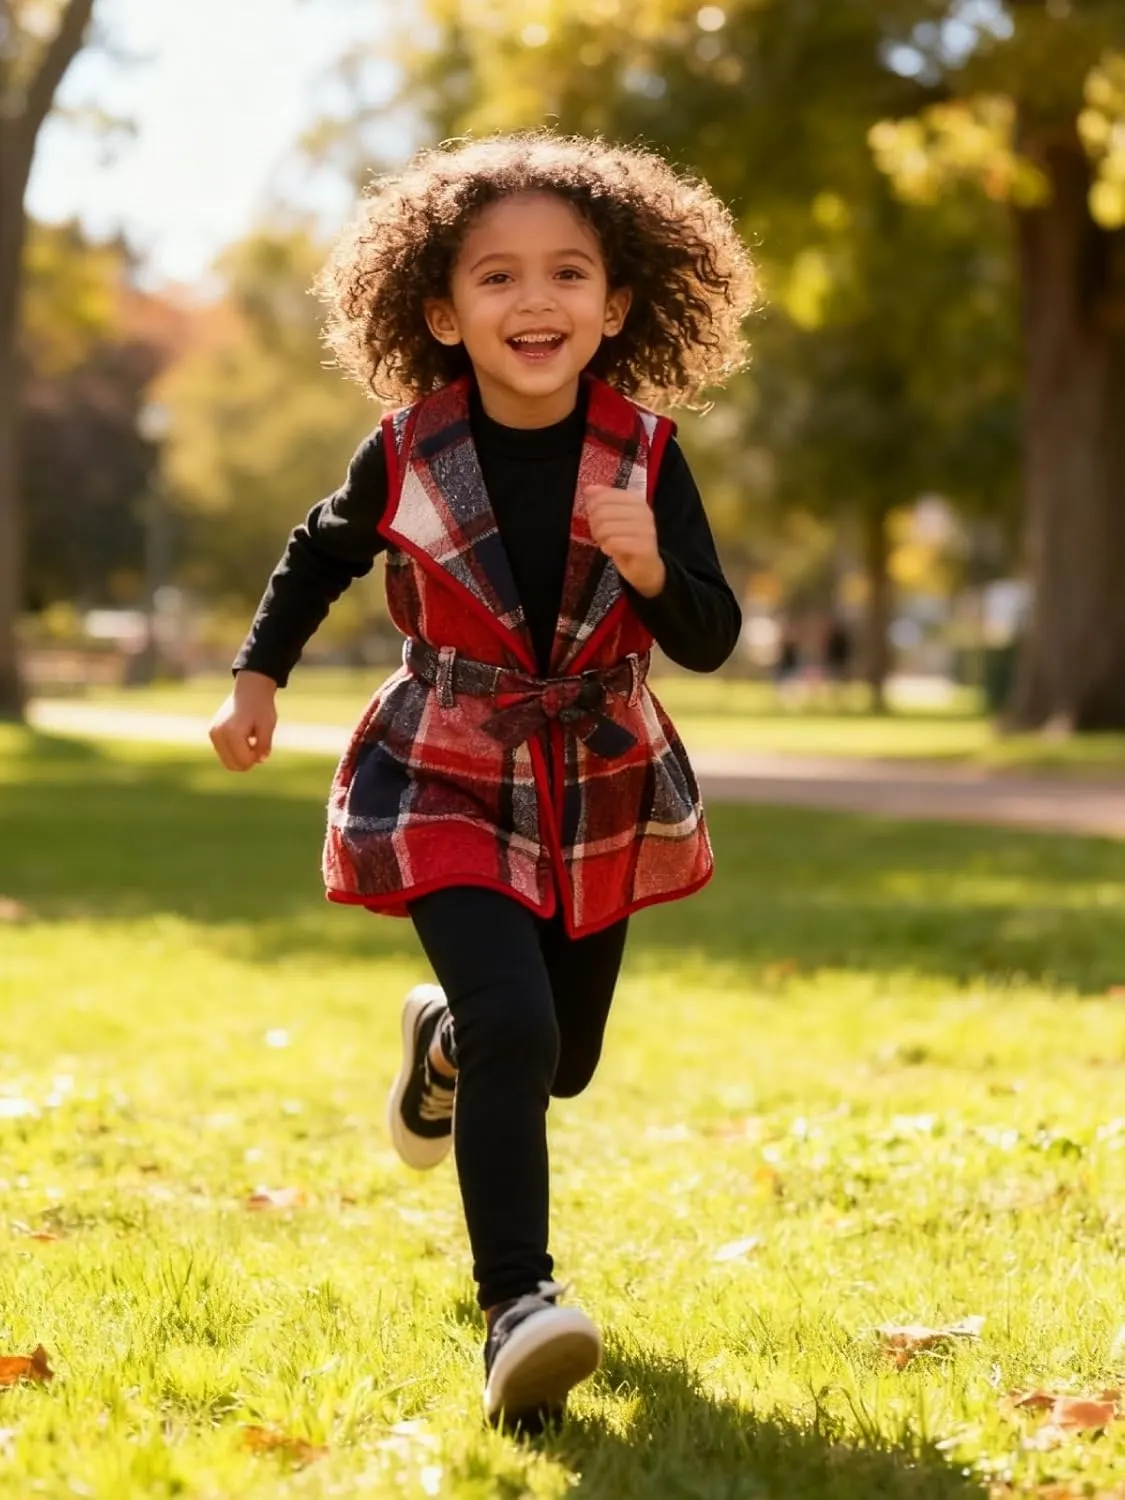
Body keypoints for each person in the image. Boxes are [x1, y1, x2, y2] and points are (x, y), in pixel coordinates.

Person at [208, 133, 754, 1432]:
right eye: (497, 278)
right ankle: (521, 1302)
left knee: (553, 1059)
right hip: (444, 764)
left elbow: (713, 635)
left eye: (569, 274)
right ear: (441, 311)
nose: (536, 301)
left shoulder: (648, 457)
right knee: (521, 1027)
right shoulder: (405, 449)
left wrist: (652, 572)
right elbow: (315, 556)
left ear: (616, 305)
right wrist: (254, 679)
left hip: (599, 777)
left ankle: (444, 1041)